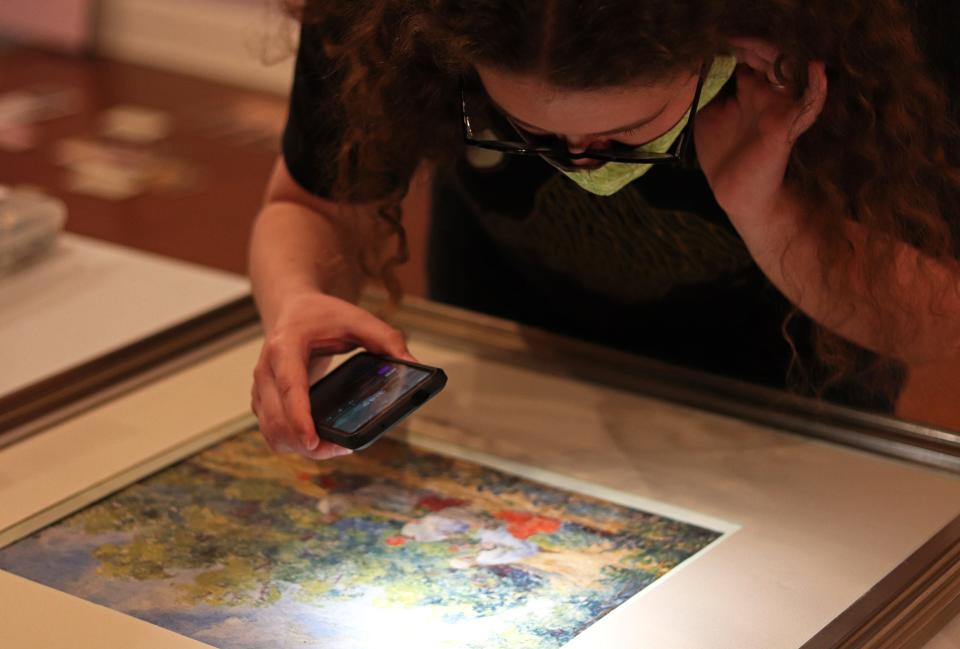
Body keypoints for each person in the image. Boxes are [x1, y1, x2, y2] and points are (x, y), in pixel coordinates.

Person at [249, 0, 960, 459]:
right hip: (507, 381)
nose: (576, 162)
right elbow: (310, 208)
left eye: (626, 135)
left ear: (733, 46)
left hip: (784, 423)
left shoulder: (887, 29)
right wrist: (298, 299)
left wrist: (765, 207)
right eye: (524, 131)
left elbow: (937, 323)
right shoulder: (383, 12)